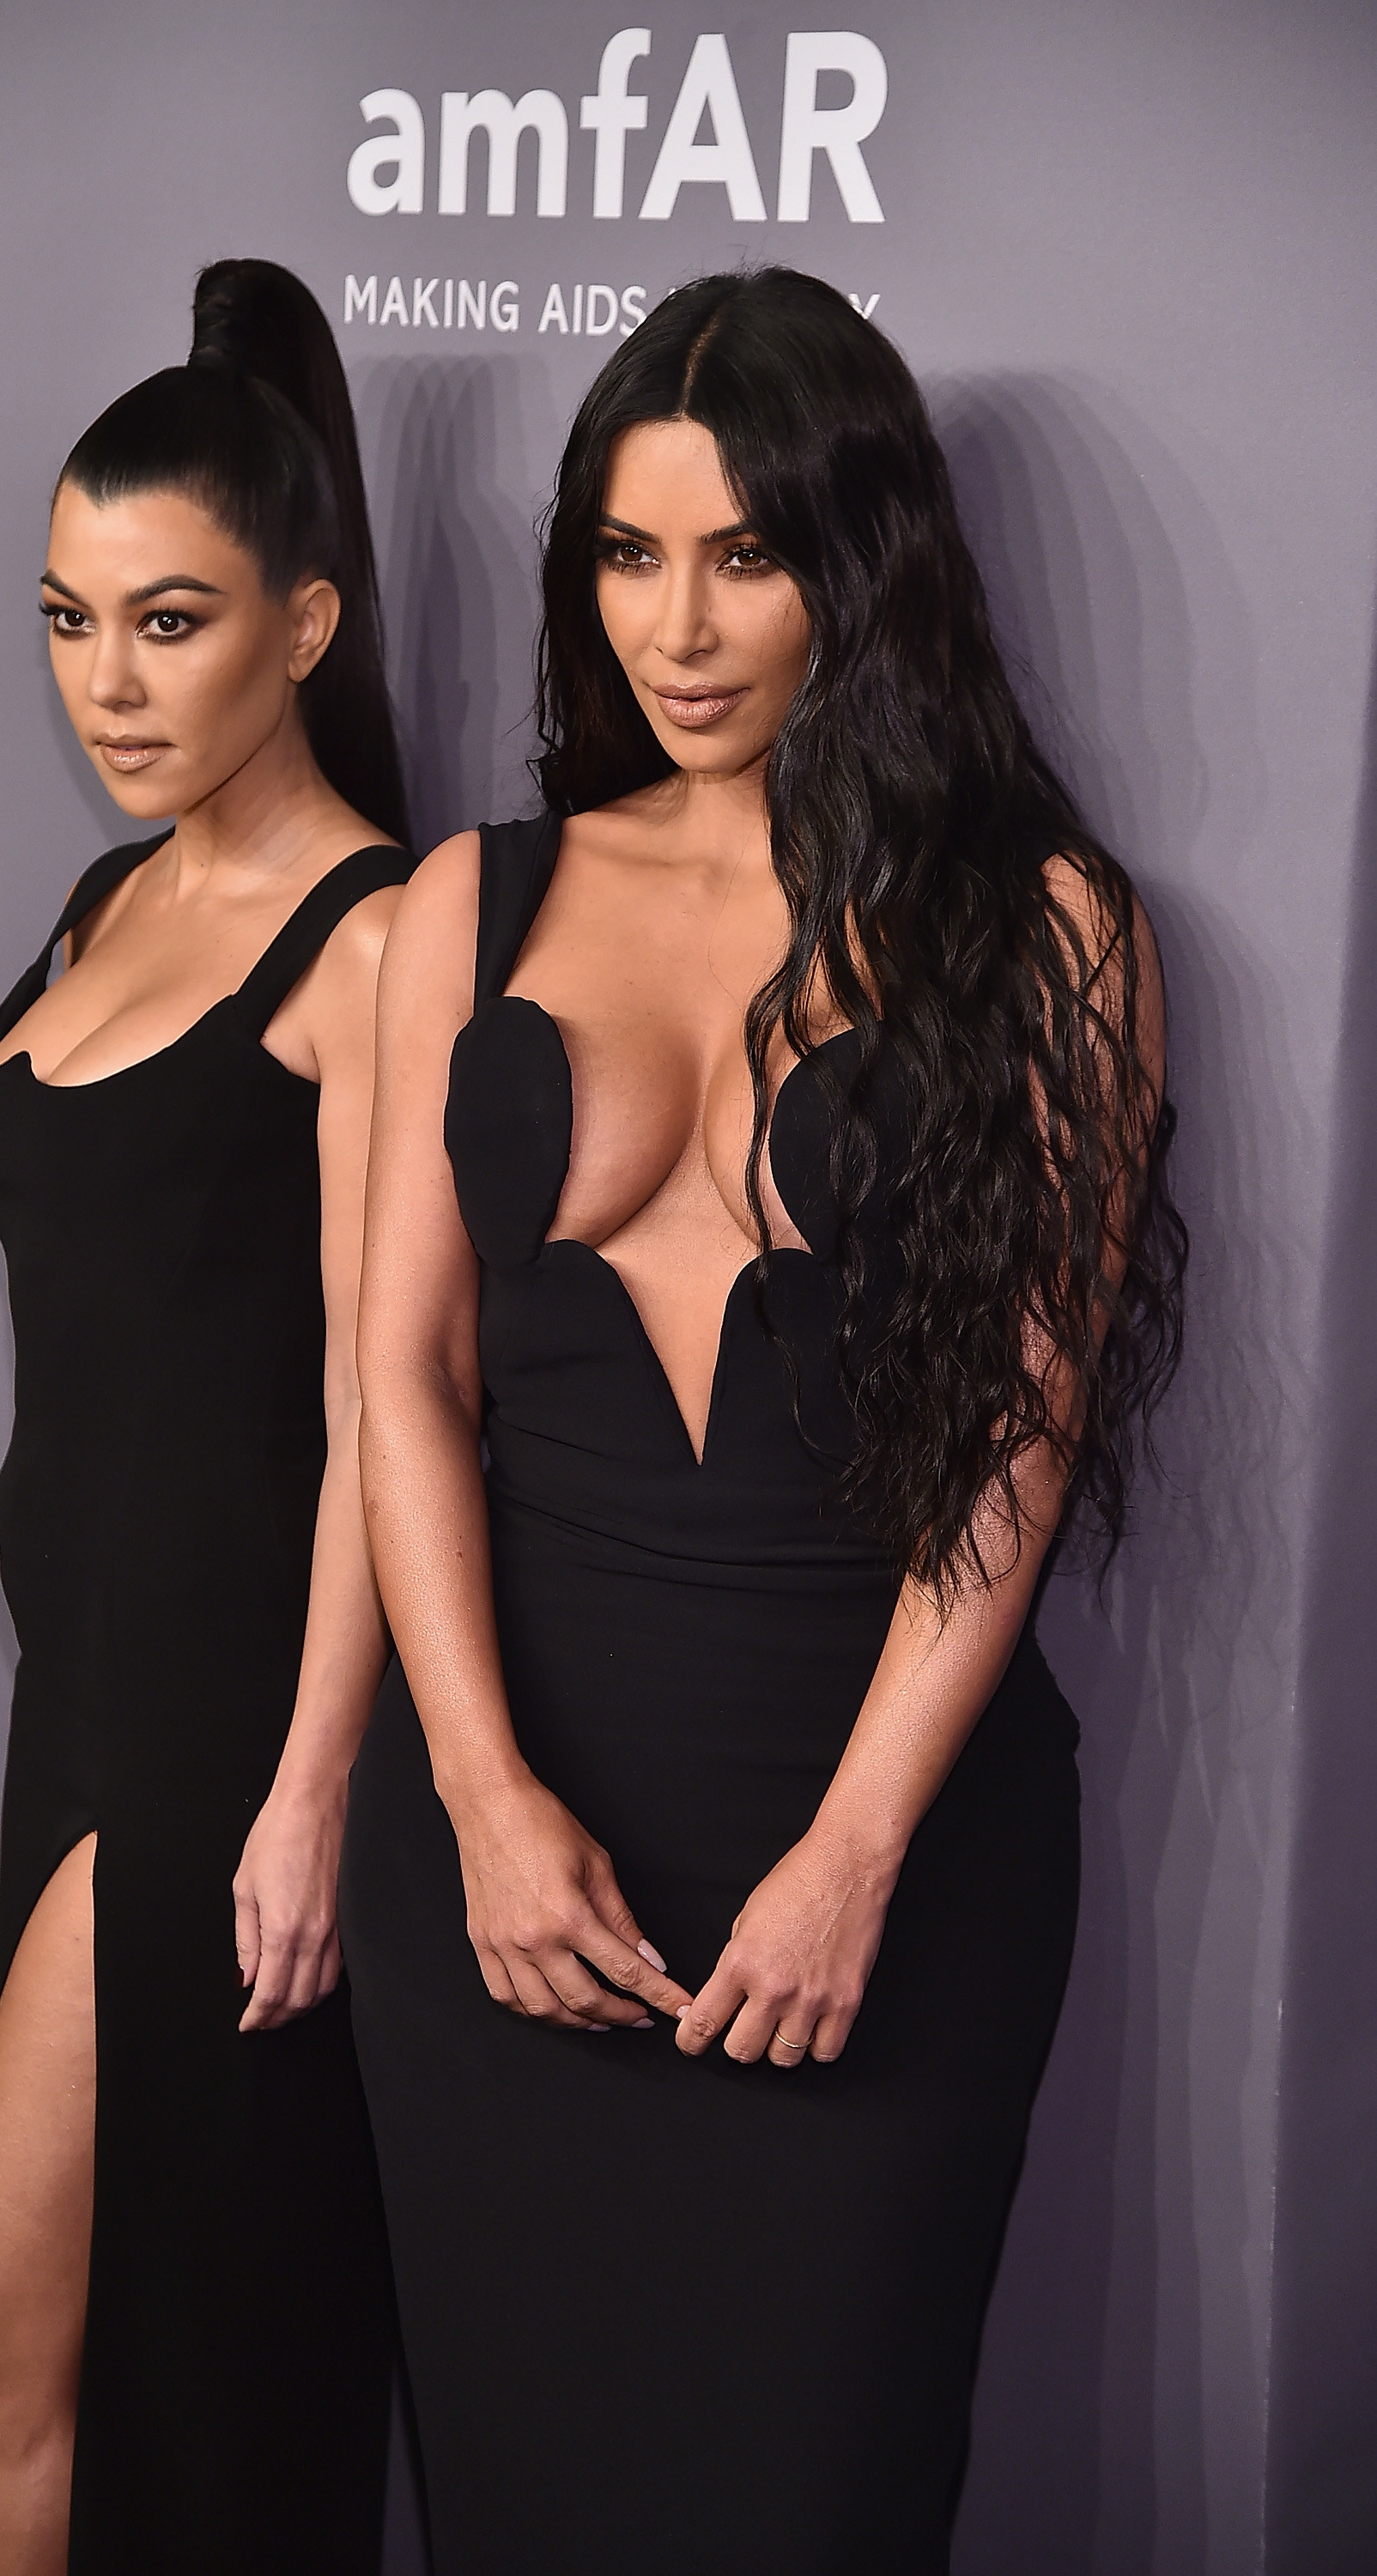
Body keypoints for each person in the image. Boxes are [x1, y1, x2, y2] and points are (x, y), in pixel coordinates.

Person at [340, 268, 1184, 2574]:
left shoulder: (1043, 929)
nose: (676, 628)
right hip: (509, 1879)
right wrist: (479, 1803)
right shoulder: (465, 904)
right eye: (624, 555)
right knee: (523, 2492)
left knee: (812, 2506)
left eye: (744, 554)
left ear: (863, 560)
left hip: (867, 1876)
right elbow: (400, 1378)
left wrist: (853, 1858)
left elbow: (1014, 1438)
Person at [0, 260, 413, 2575]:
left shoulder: (383, 932)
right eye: (68, 618)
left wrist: (308, 1797)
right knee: (67, 2351)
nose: (106, 680)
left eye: (169, 621)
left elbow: (403, 1411)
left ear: (302, 621)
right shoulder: (107, 894)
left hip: (221, 1737)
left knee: (7, 2333)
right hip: (76, 1701)